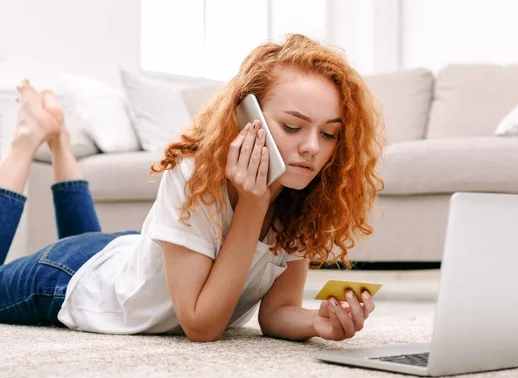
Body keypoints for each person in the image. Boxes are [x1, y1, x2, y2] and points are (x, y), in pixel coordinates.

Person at [0, 34, 385, 342]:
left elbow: (278, 311)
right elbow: (202, 326)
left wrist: (318, 323)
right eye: (292, 127)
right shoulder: (194, 174)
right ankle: (27, 140)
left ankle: (60, 140)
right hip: (68, 278)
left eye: (330, 133)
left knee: (90, 238)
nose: (313, 148)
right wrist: (253, 204)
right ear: (245, 116)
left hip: (128, 253)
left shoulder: (299, 195)